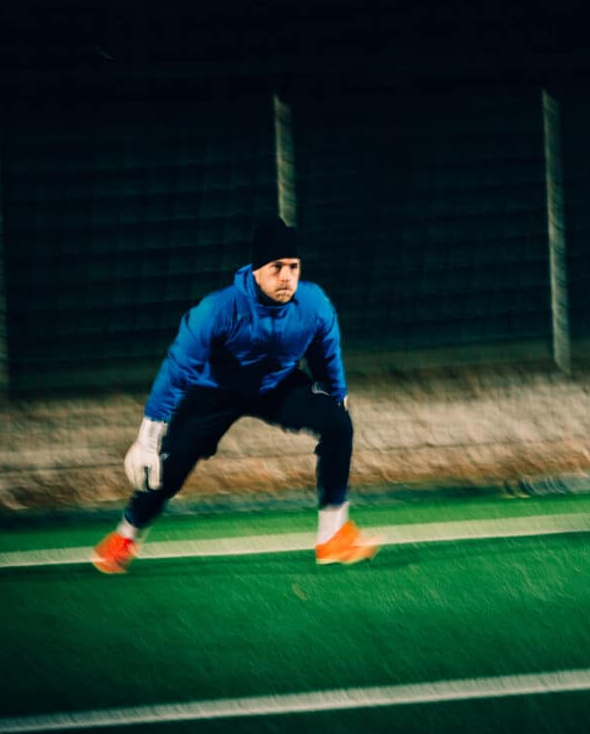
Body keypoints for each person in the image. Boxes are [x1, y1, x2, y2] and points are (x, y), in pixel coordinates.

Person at [92, 215, 380, 573]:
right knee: (171, 465)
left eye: (293, 267)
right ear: (257, 270)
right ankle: (127, 533)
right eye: (277, 268)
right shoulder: (219, 309)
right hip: (216, 391)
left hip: (276, 386)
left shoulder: (314, 304)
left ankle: (333, 536)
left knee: (338, 424)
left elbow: (326, 355)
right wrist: (149, 436)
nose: (287, 277)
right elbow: (178, 368)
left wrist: (336, 398)